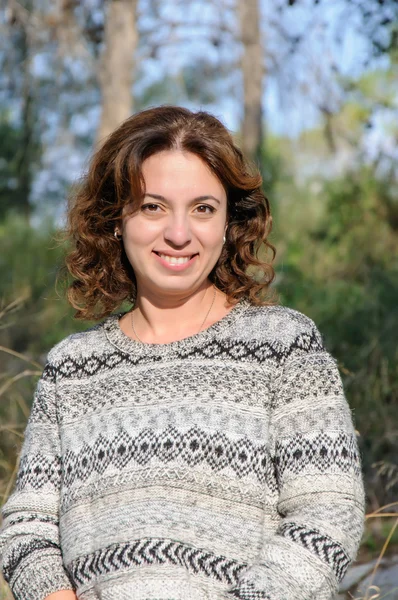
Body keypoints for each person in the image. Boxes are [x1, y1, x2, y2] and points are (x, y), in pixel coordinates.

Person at [0, 106, 365, 600]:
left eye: (202, 208)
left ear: (229, 223)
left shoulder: (283, 346)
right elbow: (26, 526)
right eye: (153, 206)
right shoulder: (71, 368)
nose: (178, 233)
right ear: (115, 219)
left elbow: (328, 512)